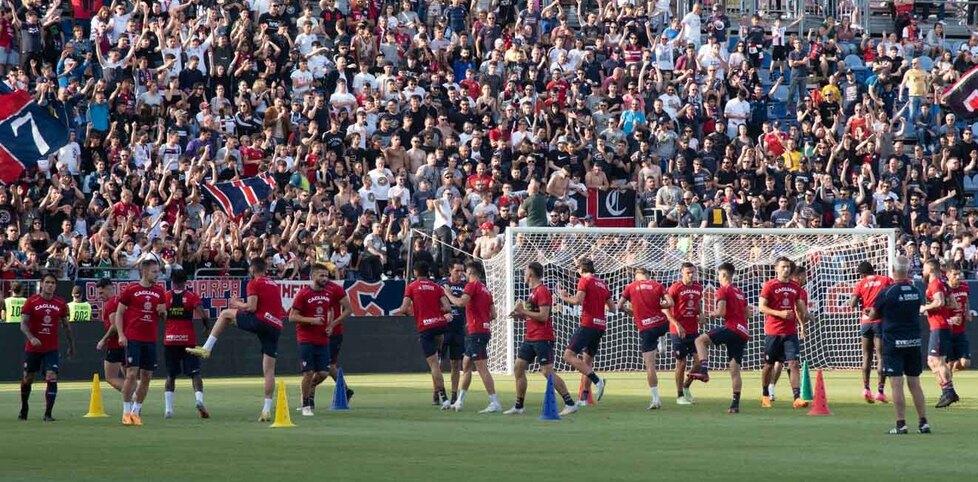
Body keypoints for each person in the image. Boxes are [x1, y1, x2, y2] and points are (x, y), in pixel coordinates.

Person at [187, 258, 286, 421]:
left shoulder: (254, 282)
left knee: (225, 313)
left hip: (261, 321)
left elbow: (252, 307)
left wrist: (236, 303)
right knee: (269, 371)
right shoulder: (273, 284)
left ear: (252, 270)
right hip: (276, 326)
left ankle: (207, 348)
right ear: (265, 269)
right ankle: (266, 410)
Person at [505, 262, 578, 416]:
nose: (524, 274)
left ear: (531, 274)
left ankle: (570, 403)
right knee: (518, 367)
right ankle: (519, 406)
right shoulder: (533, 292)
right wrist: (520, 315)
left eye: (525, 271)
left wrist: (523, 310)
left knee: (547, 372)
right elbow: (533, 315)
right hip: (530, 337)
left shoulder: (542, 291)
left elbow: (543, 316)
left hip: (542, 337)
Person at [869, 256, 930, 434]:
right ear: (908, 270)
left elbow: (873, 315)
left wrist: (872, 312)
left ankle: (901, 424)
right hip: (913, 341)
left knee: (896, 383)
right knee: (915, 383)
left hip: (894, 342)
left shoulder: (888, 292)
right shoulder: (916, 291)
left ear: (893, 271)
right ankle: (923, 422)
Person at [689, 262, 752, 413]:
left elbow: (721, 312)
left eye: (718, 274)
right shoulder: (739, 292)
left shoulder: (723, 290)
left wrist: (707, 316)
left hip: (732, 328)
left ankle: (704, 369)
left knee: (699, 340)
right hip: (743, 332)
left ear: (723, 275)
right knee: (734, 369)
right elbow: (748, 314)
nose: (718, 277)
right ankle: (735, 405)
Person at [290, 262, 350, 416]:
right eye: (322, 275)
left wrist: (330, 325)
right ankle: (306, 404)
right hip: (306, 338)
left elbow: (330, 309)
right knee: (308, 372)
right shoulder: (303, 294)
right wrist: (312, 320)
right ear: (313, 276)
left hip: (323, 339)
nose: (325, 279)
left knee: (323, 372)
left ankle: (308, 391)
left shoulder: (328, 293)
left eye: (326, 276)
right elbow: (292, 317)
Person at [393, 260, 454, 408]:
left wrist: (398, 312)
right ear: (428, 272)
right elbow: (447, 307)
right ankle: (436, 394)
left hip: (426, 327)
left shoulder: (412, 287)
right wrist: (438, 312)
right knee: (437, 362)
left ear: (415, 272)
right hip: (440, 326)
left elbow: (404, 308)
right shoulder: (436, 286)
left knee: (433, 365)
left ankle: (444, 398)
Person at [443, 262, 501, 413]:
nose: (464, 275)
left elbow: (461, 303)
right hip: (482, 331)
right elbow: (494, 314)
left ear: (470, 272)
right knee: (466, 364)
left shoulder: (471, 285)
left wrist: (448, 294)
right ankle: (459, 401)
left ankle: (494, 402)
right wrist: (482, 319)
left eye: (466, 272)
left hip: (476, 332)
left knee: (481, 368)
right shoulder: (485, 289)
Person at [115, 258, 167, 426]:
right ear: (144, 272)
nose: (157, 275)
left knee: (147, 377)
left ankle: (136, 412)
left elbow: (163, 316)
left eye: (158, 272)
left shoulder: (160, 291)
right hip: (133, 338)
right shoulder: (131, 289)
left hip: (150, 339)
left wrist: (163, 312)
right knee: (131, 374)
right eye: (154, 272)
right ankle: (126, 412)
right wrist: (121, 334)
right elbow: (119, 313)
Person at [19, 273, 73, 421]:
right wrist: (31, 337)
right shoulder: (31, 301)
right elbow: (23, 325)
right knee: (27, 378)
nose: (50, 285)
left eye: (53, 283)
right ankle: (24, 406)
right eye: (47, 282)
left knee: (51, 377)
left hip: (51, 348)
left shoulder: (60, 303)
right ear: (42, 284)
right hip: (33, 348)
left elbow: (66, 326)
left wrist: (71, 345)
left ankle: (48, 413)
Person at [617, 267, 673, 409]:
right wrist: (658, 305)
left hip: (646, 328)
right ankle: (662, 339)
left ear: (636, 276)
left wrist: (631, 311)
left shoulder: (630, 287)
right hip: (662, 324)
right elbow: (670, 303)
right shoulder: (657, 285)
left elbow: (619, 306)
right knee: (662, 327)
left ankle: (656, 400)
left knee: (650, 367)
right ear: (648, 275)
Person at [558, 258, 610, 405]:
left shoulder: (584, 280)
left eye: (577, 268)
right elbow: (612, 308)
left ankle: (597, 381)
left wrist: (563, 297)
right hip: (600, 326)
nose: (577, 271)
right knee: (587, 362)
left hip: (588, 324)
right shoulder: (603, 283)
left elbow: (577, 301)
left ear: (582, 269)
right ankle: (584, 398)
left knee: (568, 355)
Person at [758, 257, 809, 409]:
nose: (786, 269)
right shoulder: (769, 285)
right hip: (773, 332)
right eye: (783, 267)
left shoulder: (795, 287)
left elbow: (800, 306)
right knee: (769, 365)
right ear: (776, 269)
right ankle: (765, 395)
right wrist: (780, 314)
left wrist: (805, 315)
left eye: (788, 267)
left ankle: (797, 397)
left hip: (790, 332)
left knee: (794, 363)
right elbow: (762, 307)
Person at [163, 270, 210, 419]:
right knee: (195, 373)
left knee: (171, 375)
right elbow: (203, 313)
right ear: (186, 281)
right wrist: (206, 327)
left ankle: (168, 409)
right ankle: (199, 400)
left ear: (172, 281)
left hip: (170, 340)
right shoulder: (191, 296)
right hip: (188, 340)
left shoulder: (166, 296)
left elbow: (160, 313)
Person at [848, 261, 893, 403]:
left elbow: (852, 304)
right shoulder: (885, 280)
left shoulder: (860, 283)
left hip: (866, 322)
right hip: (879, 321)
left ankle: (866, 389)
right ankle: (880, 391)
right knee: (881, 356)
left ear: (862, 274)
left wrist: (861, 301)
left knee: (867, 356)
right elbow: (892, 295)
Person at [920, 259, 960, 408]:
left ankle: (948, 392)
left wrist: (925, 308)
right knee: (933, 361)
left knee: (937, 361)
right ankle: (947, 391)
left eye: (924, 269)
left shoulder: (935, 283)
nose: (922, 272)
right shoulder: (944, 284)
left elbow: (939, 302)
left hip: (939, 326)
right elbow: (953, 303)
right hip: (941, 326)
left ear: (930, 269)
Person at [665, 262, 704, 405]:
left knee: (700, 361)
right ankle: (680, 395)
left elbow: (697, 303)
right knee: (681, 363)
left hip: (693, 330)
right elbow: (665, 309)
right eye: (688, 272)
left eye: (693, 272)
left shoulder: (698, 287)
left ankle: (686, 386)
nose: (691, 275)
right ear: (682, 272)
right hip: (678, 331)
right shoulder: (675, 287)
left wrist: (701, 314)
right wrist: (676, 324)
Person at [438, 261, 467, 404]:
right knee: (438, 363)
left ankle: (454, 394)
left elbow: (465, 303)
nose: (460, 273)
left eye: (462, 271)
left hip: (458, 329)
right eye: (457, 270)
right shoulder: (441, 284)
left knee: (456, 363)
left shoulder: (466, 286)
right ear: (450, 270)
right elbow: (435, 303)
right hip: (443, 329)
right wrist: (443, 313)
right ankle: (437, 392)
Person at [95, 278, 124, 393]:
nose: (100, 296)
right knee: (129, 377)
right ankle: (133, 401)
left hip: (115, 345)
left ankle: (134, 396)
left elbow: (115, 325)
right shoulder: (120, 300)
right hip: (127, 342)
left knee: (110, 377)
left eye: (101, 293)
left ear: (108, 288)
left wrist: (103, 340)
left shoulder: (111, 303)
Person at [946, 264, 971, 372]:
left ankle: (948, 371)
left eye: (959, 274)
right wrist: (950, 320)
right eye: (954, 274)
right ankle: (947, 380)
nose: (958, 277)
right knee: (949, 363)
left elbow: (966, 300)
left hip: (960, 331)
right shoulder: (944, 289)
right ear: (948, 274)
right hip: (947, 331)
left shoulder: (964, 286)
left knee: (966, 363)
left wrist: (967, 311)